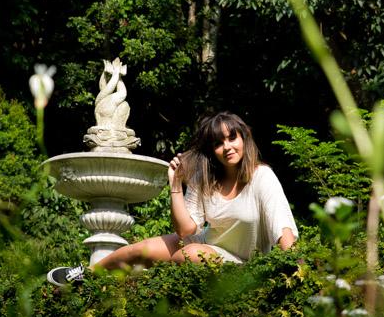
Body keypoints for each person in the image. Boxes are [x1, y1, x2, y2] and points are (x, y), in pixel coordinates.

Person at [46, 112, 298, 286]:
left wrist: (299, 274)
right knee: (141, 249)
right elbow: (186, 229)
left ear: (244, 139)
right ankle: (86, 274)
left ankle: (141, 284)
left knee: (189, 254)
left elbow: (283, 230)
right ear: (212, 150)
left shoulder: (261, 177)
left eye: (232, 138)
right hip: (205, 244)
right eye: (219, 143)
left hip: (241, 261)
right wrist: (175, 183)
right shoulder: (204, 177)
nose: (227, 147)